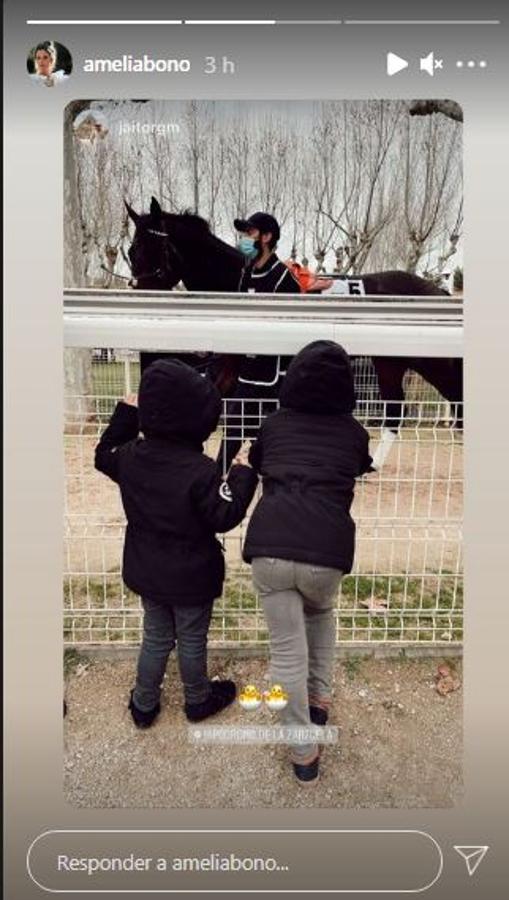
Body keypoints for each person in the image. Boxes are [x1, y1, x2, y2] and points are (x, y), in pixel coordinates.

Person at [94, 359, 257, 727]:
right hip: (192, 577)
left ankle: (144, 704)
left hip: (147, 570)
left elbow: (103, 454)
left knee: (155, 636)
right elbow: (225, 515)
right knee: (191, 638)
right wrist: (245, 473)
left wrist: (126, 413)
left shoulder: (131, 458)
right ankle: (197, 700)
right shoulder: (201, 471)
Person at [243, 340, 374, 784]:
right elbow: (357, 467)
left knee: (285, 652)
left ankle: (303, 753)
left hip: (270, 547)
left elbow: (259, 462)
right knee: (321, 612)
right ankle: (320, 699)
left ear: (293, 377)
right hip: (326, 552)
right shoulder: (354, 432)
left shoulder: (274, 424)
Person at [219, 212, 301, 472]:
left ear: (266, 237)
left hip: (275, 380)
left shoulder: (284, 279)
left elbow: (291, 332)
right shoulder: (245, 274)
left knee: (269, 444)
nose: (244, 239)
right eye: (244, 234)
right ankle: (214, 479)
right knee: (232, 431)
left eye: (250, 234)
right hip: (248, 373)